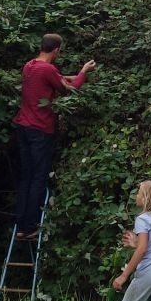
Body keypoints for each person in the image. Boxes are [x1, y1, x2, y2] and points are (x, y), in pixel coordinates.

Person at [13, 33, 96, 239]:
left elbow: (57, 78)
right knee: (38, 177)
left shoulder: (30, 66)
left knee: (26, 176)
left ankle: (21, 224)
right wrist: (84, 71)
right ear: (57, 49)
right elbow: (71, 88)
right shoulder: (48, 69)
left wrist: (72, 74)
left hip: (22, 126)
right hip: (39, 130)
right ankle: (31, 226)